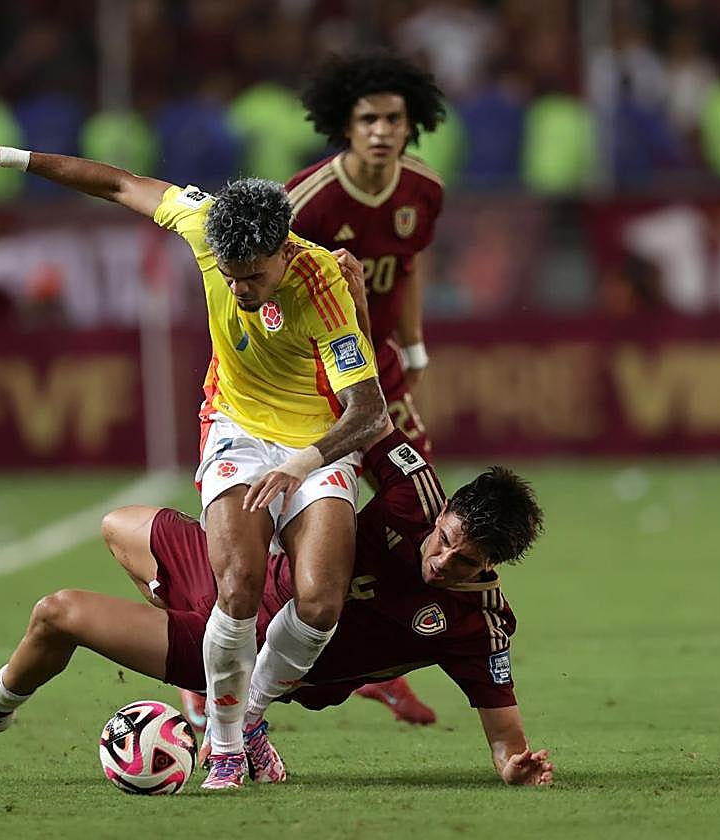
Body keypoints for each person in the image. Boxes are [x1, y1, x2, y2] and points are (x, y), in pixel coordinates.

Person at [0, 137, 388, 788]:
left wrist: (302, 462)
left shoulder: (323, 282)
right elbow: (117, 184)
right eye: (229, 274)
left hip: (316, 440)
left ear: (285, 252)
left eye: (252, 276)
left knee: (320, 603)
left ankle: (246, 714)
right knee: (237, 583)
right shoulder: (204, 223)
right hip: (236, 427)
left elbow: (369, 411)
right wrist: (4, 158)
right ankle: (226, 750)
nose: (238, 288)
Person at [0, 424, 553, 787]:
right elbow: (362, 413)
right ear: (446, 511)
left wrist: (514, 766)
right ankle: (204, 684)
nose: (440, 561)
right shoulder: (416, 494)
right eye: (444, 539)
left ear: (492, 567)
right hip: (241, 577)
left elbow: (505, 739)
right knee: (119, 526)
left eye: (463, 562)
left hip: (257, 652)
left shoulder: (481, 626)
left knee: (56, 612)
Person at [286, 49, 450, 721]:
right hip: (310, 379)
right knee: (292, 523)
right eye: (368, 120)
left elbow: (406, 268)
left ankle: (380, 664)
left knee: (423, 513)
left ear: (412, 124)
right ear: (345, 126)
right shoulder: (307, 200)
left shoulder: (424, 190)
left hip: (380, 373)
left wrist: (412, 344)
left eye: (393, 119)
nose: (382, 131)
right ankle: (228, 658)